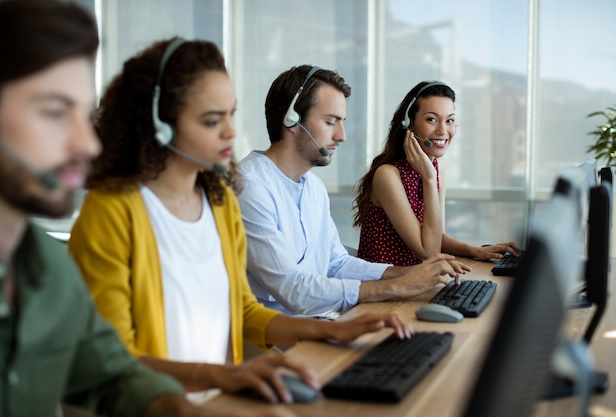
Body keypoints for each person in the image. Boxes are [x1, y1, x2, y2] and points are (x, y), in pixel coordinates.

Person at [68, 38, 413, 406]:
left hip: (217, 400)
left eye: (231, 114)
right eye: (213, 120)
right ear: (158, 124)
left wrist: (337, 329)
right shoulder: (110, 214)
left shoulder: (219, 203)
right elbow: (111, 363)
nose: (231, 132)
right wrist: (222, 375)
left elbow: (244, 311)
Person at [0, 1, 285, 417]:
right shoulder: (110, 213)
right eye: (55, 111)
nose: (88, 144)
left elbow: (111, 373)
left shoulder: (41, 265)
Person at [236, 65, 470, 319]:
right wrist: (395, 286)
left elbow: (337, 263)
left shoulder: (312, 187)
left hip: (326, 318)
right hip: (280, 337)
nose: (342, 135)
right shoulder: (249, 187)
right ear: (291, 119)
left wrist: (411, 274)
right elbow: (292, 290)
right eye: (330, 122)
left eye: (342, 122)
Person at [353, 81, 520, 266]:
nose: (442, 130)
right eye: (431, 119)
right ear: (409, 123)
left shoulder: (438, 164)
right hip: (386, 288)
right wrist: (429, 178)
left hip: (418, 282)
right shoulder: (388, 175)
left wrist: (475, 250)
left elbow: (436, 236)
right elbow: (429, 252)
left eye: (449, 120)